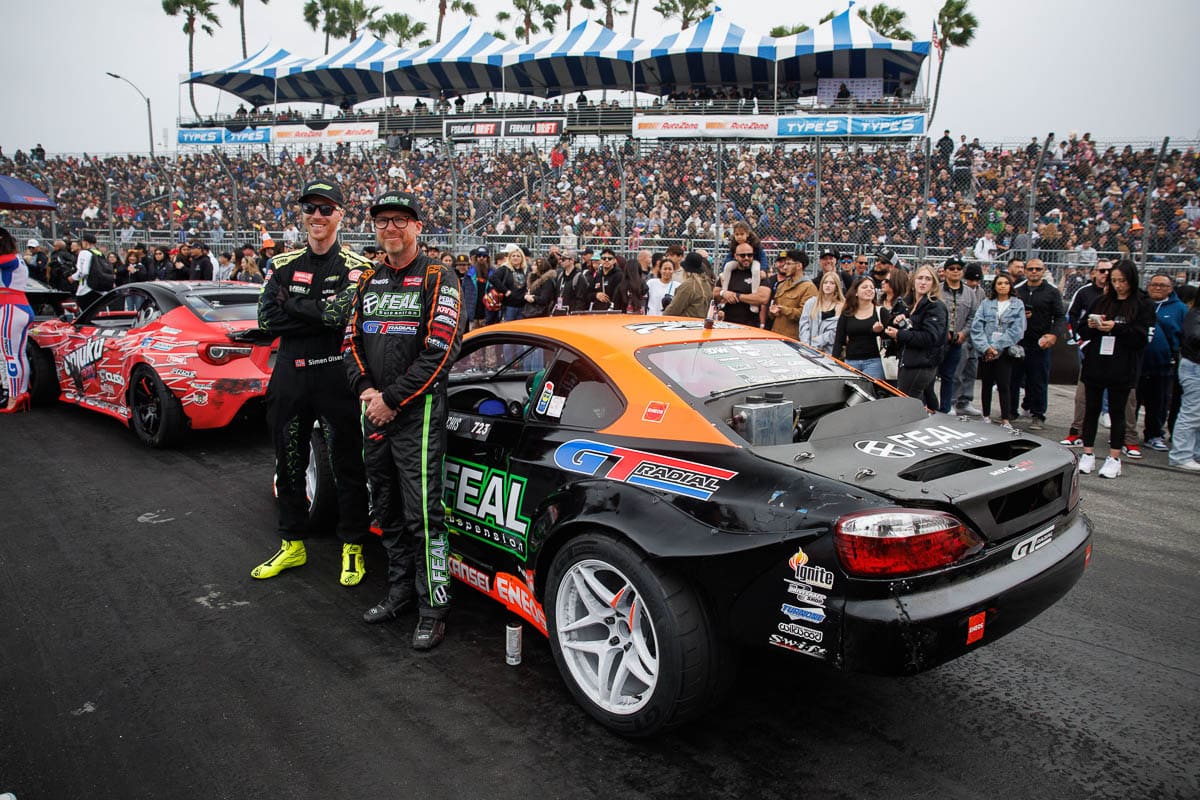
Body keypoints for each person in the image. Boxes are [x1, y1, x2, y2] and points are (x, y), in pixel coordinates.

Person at [346, 189, 464, 650]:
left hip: (418, 412)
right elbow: (349, 342)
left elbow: (442, 348)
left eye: (399, 220)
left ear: (417, 226)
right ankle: (399, 592)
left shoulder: (440, 276)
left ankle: (433, 605)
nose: (390, 228)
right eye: (382, 221)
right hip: (373, 409)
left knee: (423, 515)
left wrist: (392, 398)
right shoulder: (367, 280)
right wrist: (366, 390)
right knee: (386, 508)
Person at [250, 177, 372, 588]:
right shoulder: (281, 264)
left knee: (347, 464)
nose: (317, 216)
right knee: (289, 460)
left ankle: (352, 546)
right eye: (310, 209)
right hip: (289, 374)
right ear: (302, 215)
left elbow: (341, 315)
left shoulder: (358, 267)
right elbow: (267, 320)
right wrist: (316, 311)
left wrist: (295, 306)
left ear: (340, 214)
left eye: (326, 209)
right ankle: (292, 543)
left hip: (334, 374)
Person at [1077, 260, 1154, 479]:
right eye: (1115, 281)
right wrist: (1092, 325)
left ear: (1132, 280)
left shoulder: (1142, 304)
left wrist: (1117, 328)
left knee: (1117, 412)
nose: (1118, 285)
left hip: (1123, 364)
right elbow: (1082, 327)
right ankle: (1088, 453)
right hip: (1097, 362)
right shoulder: (1102, 301)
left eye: (1123, 281)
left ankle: (1114, 457)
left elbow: (1143, 337)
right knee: (1091, 409)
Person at [1012, 258, 1064, 431]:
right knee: (1013, 378)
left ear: (1043, 271)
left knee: (1038, 380)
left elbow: (1059, 317)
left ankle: (1038, 414)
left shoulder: (1052, 292)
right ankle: (1011, 411)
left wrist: (1053, 335)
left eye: (1038, 269)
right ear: (1025, 271)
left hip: (1040, 343)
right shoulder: (1017, 290)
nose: (1034, 271)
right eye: (1031, 269)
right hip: (1018, 342)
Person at [884, 264, 949, 401]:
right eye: (920, 278)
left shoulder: (935, 306)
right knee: (920, 401)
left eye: (928, 279)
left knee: (906, 402)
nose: (923, 282)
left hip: (922, 364)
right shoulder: (909, 304)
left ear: (934, 284)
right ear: (913, 282)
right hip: (908, 361)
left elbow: (930, 337)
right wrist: (898, 321)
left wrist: (900, 334)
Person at [970, 272, 1026, 427]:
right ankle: (986, 415)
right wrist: (986, 347)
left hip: (1004, 351)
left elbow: (1017, 330)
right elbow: (977, 327)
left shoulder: (1017, 304)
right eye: (1000, 283)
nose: (1003, 286)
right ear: (995, 286)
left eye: (1006, 283)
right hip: (986, 350)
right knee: (986, 383)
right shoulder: (986, 303)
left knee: (1004, 384)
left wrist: (996, 347)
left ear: (1010, 286)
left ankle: (1005, 418)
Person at [1138, 272, 1186, 451]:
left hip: (1164, 365)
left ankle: (1154, 435)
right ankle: (1128, 435)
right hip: (1138, 362)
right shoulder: (1139, 304)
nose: (1158, 288)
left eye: (1163, 286)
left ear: (1171, 288)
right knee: (1133, 400)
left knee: (1158, 402)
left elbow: (1184, 335)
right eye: (1154, 284)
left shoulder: (1179, 309)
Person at [938, 256, 982, 413]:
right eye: (952, 268)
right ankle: (929, 404)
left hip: (959, 340)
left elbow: (973, 316)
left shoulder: (970, 293)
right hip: (938, 340)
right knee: (931, 374)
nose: (955, 271)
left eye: (959, 269)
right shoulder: (937, 289)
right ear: (945, 271)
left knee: (952, 375)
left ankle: (949, 404)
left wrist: (963, 333)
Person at [0, 228, 33, 413]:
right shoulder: (15, 258)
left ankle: (14, 397)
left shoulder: (8, 259)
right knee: (18, 354)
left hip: (10, 309)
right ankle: (20, 392)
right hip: (19, 306)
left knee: (10, 355)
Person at [832, 276, 890, 380]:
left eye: (872, 288)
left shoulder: (881, 312)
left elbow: (890, 338)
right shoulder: (847, 314)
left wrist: (879, 332)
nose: (869, 289)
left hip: (874, 362)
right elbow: (839, 340)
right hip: (850, 362)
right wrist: (833, 362)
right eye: (864, 287)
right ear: (856, 292)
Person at [1168, 290, 1200, 470]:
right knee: (1192, 413)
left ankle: (1193, 453)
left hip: (1194, 365)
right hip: (1194, 367)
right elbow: (1194, 336)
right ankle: (1181, 455)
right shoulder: (1194, 314)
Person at [952, 262, 987, 416]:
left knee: (971, 370)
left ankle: (965, 401)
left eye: (977, 280)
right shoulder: (962, 291)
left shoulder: (982, 293)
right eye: (971, 280)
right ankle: (952, 401)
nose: (974, 283)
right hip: (962, 336)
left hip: (977, 338)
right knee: (957, 372)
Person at [716, 243, 769, 328]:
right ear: (735, 256)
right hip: (727, 323)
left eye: (750, 255)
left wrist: (737, 296)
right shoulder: (729, 272)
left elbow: (763, 298)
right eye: (742, 255)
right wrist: (723, 293)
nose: (746, 258)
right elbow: (714, 293)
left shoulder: (758, 274)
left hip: (750, 324)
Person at [768, 249, 817, 339]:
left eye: (789, 264)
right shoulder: (782, 285)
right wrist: (772, 312)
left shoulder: (809, 288)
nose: (785, 267)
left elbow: (805, 314)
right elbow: (773, 308)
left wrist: (783, 310)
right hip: (776, 336)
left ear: (799, 266)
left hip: (793, 340)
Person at [797, 270, 844, 353]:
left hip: (829, 351)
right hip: (808, 349)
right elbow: (804, 324)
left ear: (837, 286)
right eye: (825, 283)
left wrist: (817, 342)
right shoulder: (811, 302)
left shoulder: (841, 305)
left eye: (832, 283)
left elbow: (836, 331)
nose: (828, 285)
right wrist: (807, 344)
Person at [664, 252, 713, 319]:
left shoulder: (688, 285)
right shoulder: (706, 283)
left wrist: (663, 317)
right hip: (700, 324)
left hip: (686, 324)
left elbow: (673, 310)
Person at [68, 234, 105, 310]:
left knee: (85, 314)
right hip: (99, 289)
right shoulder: (99, 253)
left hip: (86, 289)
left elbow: (84, 272)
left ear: (85, 242)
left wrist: (73, 277)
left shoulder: (84, 253)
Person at [453, 253, 478, 324]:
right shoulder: (453, 275)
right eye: (459, 265)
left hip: (468, 306)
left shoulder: (471, 276)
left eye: (464, 265)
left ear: (468, 265)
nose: (461, 267)